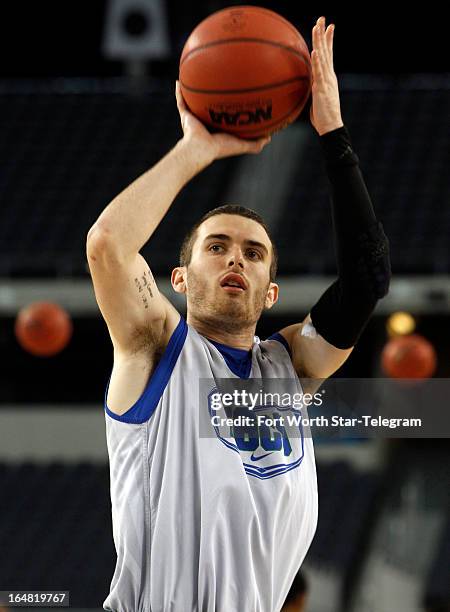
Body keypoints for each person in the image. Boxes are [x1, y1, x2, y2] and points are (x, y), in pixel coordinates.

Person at [87, 16, 391, 612]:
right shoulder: (154, 348)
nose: (236, 260)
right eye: (216, 247)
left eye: (254, 254)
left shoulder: (291, 369)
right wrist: (195, 150)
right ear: (179, 279)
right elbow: (107, 247)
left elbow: (366, 279)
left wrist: (333, 134)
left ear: (270, 292)